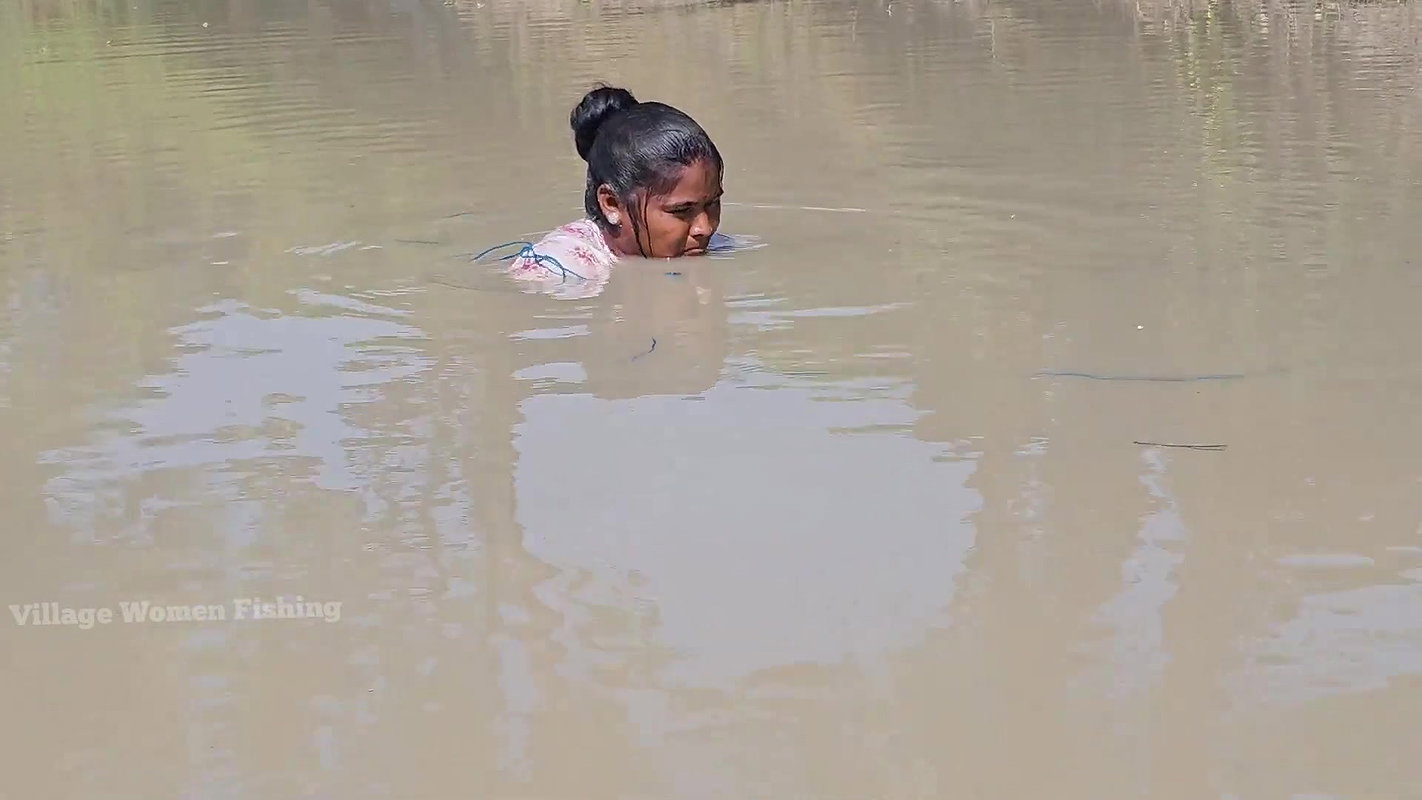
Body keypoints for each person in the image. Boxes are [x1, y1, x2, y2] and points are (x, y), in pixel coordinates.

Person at [506, 85, 725, 289]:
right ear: (611, 204)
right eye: (681, 211)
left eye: (713, 203)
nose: (705, 228)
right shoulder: (557, 271)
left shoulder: (706, 245)